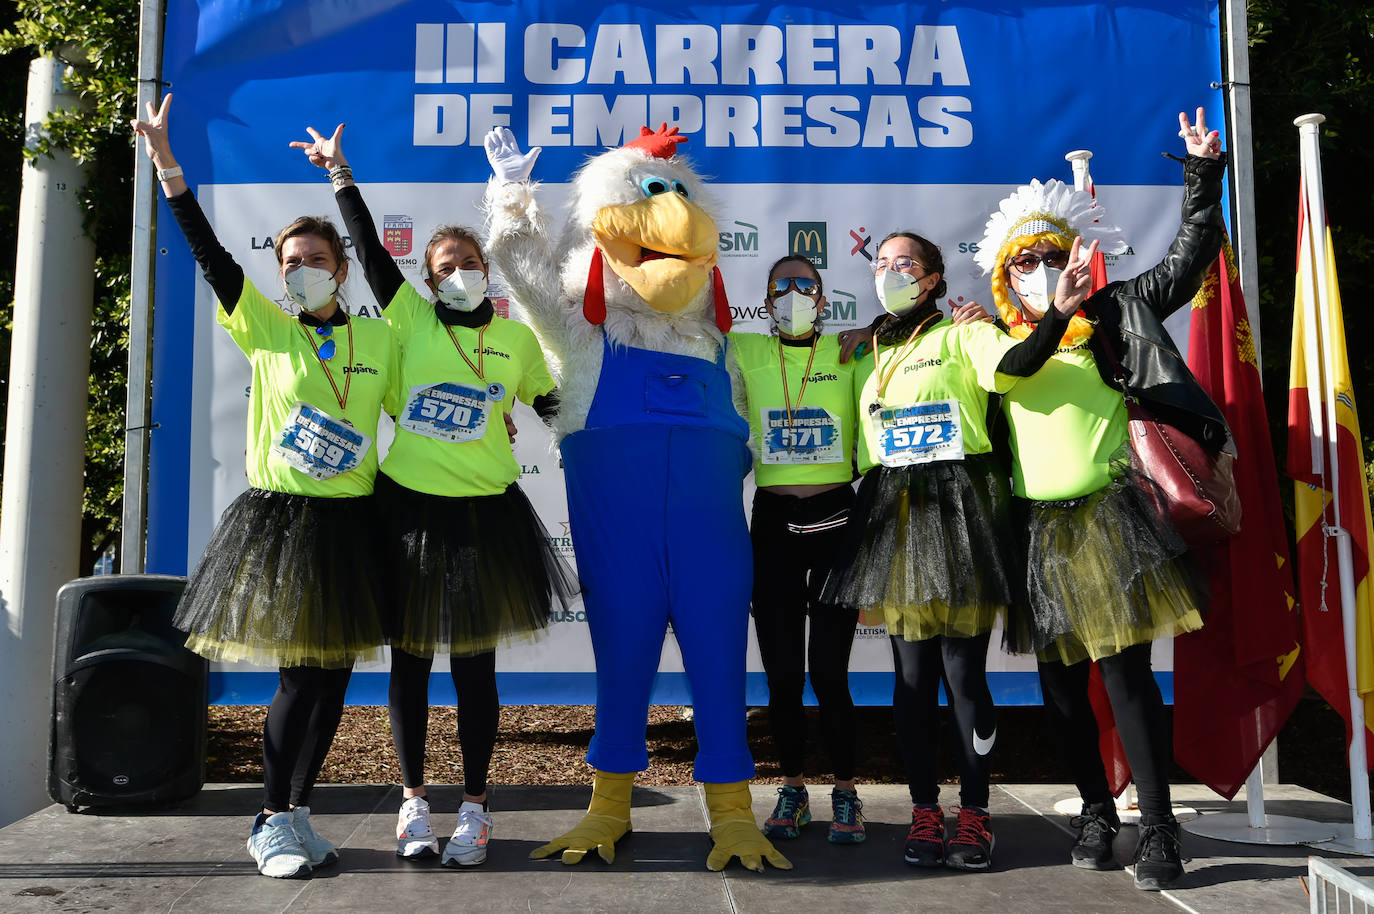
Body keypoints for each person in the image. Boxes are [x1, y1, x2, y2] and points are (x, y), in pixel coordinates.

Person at [289, 125, 576, 867]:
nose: (459, 275)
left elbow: (556, 414)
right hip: (407, 514)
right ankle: (413, 805)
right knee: (409, 664)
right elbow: (370, 249)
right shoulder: (409, 320)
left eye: (470, 264)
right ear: (427, 280)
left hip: (487, 518)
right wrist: (341, 175)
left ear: (488, 270)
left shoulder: (515, 343)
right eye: (445, 268)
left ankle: (475, 809)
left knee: (474, 669)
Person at [131, 95, 399, 879]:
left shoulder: (381, 338)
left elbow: (416, 414)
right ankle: (269, 817)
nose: (301, 271)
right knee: (297, 677)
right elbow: (210, 254)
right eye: (289, 263)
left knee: (334, 682)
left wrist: (343, 178)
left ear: (340, 269)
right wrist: (169, 168)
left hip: (355, 521)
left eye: (316, 260)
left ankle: (300, 812)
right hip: (287, 522)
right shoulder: (267, 327)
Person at [978, 108, 1226, 891]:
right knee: (1058, 686)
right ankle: (1094, 807)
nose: (1040, 268)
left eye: (1052, 256)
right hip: (1032, 531)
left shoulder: (1114, 314)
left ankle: (1158, 827)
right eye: (1026, 261)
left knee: (1124, 679)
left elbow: (1188, 263)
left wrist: (1201, 175)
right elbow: (1009, 373)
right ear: (1003, 274)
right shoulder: (992, 336)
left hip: (1110, 522)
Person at [822, 229, 1097, 871]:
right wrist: (869, 333)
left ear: (934, 277)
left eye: (906, 263)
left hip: (959, 510)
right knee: (911, 680)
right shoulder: (872, 352)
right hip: (898, 513)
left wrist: (1057, 313)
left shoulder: (964, 333)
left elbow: (1022, 362)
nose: (891, 272)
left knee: (962, 676)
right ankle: (924, 810)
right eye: (881, 264)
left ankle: (974, 813)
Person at [728, 255, 864, 843]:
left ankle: (847, 792)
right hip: (775, 521)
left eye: (804, 285)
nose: (792, 293)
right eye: (780, 286)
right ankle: (792, 787)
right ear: (765, 302)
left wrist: (876, 329)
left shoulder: (848, 352)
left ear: (824, 301)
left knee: (829, 672)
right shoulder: (745, 351)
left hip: (837, 517)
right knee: (783, 675)